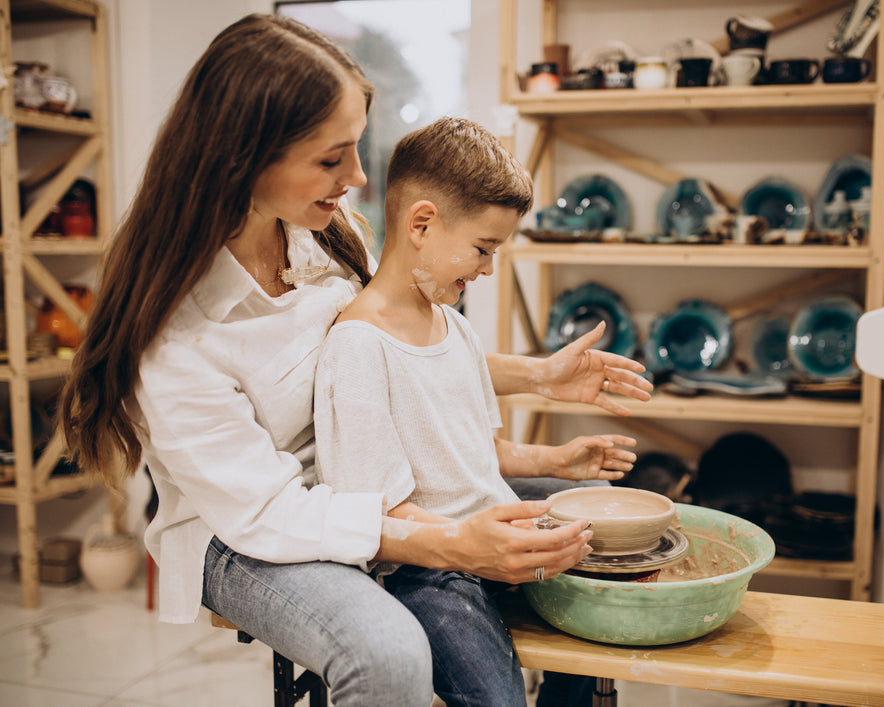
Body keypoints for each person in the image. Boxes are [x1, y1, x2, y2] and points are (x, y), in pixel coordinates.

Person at [57, 13, 652, 707]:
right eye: (331, 158)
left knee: (596, 523)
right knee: (388, 654)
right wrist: (452, 542)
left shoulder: (325, 235)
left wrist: (539, 375)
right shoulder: (172, 332)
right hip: (250, 526)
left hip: (372, 484)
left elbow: (395, 354)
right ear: (244, 155)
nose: (358, 175)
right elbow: (269, 510)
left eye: (355, 149)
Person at [313, 116, 638, 705]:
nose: (488, 269)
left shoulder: (453, 327)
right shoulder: (358, 345)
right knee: (497, 698)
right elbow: (380, 513)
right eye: (483, 249)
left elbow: (482, 456)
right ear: (422, 224)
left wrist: (559, 461)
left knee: (605, 610)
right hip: (424, 572)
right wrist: (475, 544)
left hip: (490, 535)